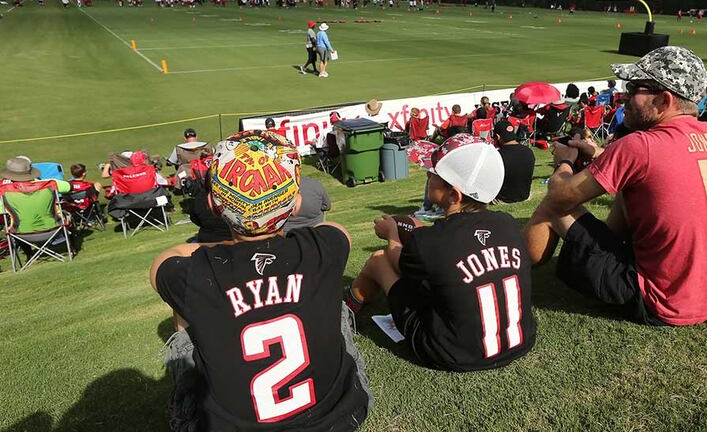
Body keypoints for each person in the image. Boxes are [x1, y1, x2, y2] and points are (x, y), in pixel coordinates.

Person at [150, 130, 372, 431]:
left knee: (185, 307)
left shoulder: (199, 271)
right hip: (340, 417)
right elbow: (336, 228)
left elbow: (162, 263)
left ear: (215, 206)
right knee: (335, 304)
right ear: (295, 204)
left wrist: (228, 249)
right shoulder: (323, 248)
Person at [523, 46, 707, 326]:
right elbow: (661, 168)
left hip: (662, 302)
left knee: (552, 206)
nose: (625, 96)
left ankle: (507, 275)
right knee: (629, 192)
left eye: (635, 88)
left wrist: (565, 162)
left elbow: (561, 195)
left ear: (664, 100)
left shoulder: (639, 146)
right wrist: (598, 155)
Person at [348, 134, 536, 371]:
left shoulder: (429, 241)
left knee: (378, 261)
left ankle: (348, 308)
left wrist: (392, 234)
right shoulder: (507, 224)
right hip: (520, 340)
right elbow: (460, 241)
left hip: (452, 353)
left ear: (454, 195)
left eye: (434, 174)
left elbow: (398, 262)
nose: (428, 175)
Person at [493, 120, 535, 203]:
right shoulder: (528, 151)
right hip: (524, 195)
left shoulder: (497, 156)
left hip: (503, 198)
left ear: (497, 137)